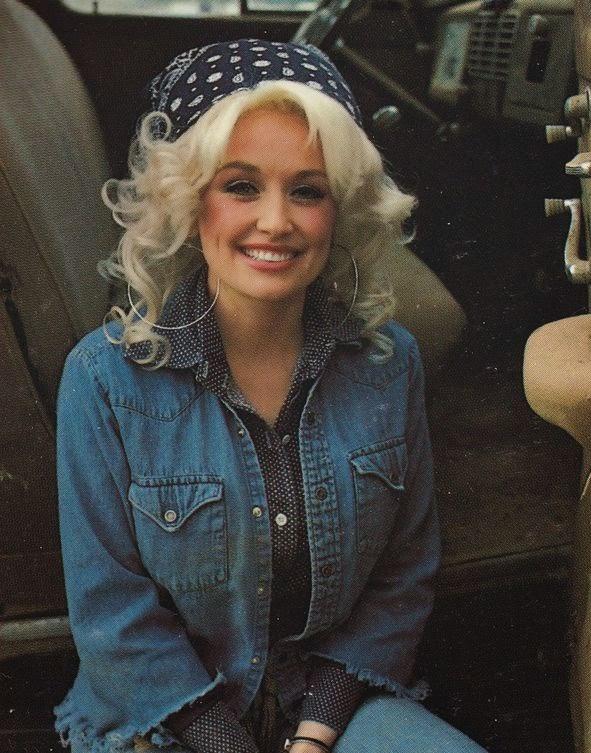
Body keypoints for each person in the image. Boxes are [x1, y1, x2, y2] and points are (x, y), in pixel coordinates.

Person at [54, 39, 486, 753]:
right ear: (190, 202)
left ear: (340, 210)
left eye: (307, 190)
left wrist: (315, 736)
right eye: (241, 186)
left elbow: (401, 578)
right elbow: (113, 618)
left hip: (327, 707)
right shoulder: (103, 381)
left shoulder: (389, 364)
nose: (277, 221)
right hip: (165, 720)